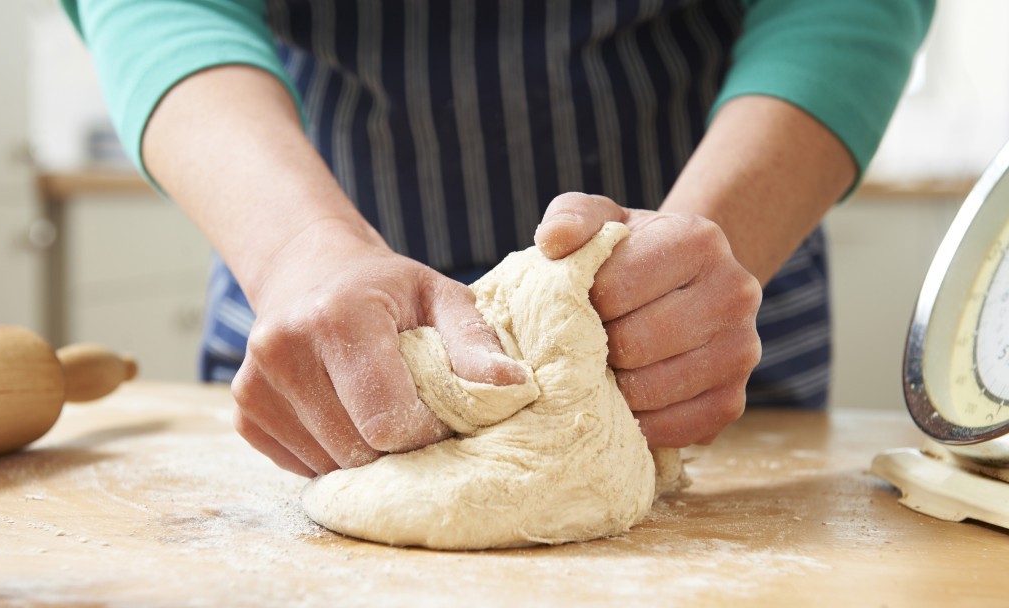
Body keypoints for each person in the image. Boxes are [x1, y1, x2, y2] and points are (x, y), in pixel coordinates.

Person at [63, 0, 933, 477]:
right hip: (312, 309)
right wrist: (298, 250)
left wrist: (713, 239)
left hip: (697, 319)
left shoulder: (698, 296)